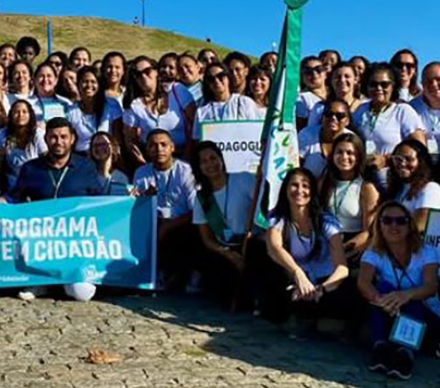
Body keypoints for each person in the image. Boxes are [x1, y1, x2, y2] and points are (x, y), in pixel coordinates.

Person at [11, 117, 104, 301]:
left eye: (63, 137)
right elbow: (14, 201)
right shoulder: (31, 168)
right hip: (39, 243)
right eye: (53, 137)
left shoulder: (86, 167)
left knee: (82, 294)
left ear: (72, 139)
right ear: (45, 139)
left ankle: (62, 283)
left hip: (75, 243)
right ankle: (44, 281)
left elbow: (98, 203)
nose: (59, 142)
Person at [358, 201, 440, 379]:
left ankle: (405, 354)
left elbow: (431, 287)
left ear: (409, 225)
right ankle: (381, 348)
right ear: (379, 224)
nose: (394, 225)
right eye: (387, 220)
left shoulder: (426, 251)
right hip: (389, 309)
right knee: (383, 288)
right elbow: (364, 282)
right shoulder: (373, 251)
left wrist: (405, 296)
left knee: (413, 301)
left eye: (400, 221)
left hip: (425, 314)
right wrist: (382, 300)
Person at [262, 168, 352, 326]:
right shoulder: (278, 219)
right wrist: (298, 274)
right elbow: (274, 248)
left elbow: (342, 268)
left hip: (325, 282)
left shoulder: (326, 221)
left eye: (305, 186)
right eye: (294, 185)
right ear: (285, 189)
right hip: (294, 277)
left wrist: (321, 289)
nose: (300, 191)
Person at [132, 130, 198, 290]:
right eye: (153, 146)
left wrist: (169, 225)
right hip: (154, 222)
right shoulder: (141, 173)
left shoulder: (186, 171)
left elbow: (195, 209)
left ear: (172, 148)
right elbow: (136, 207)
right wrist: (143, 199)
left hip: (181, 221)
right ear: (147, 150)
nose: (159, 149)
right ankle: (156, 274)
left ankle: (189, 275)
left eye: (163, 145)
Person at [190, 141, 256, 302]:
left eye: (213, 158)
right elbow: (207, 239)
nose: (210, 164)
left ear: (221, 159)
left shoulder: (244, 179)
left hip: (251, 243)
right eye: (204, 161)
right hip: (225, 248)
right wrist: (230, 255)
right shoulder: (202, 198)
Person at [353, 63, 425, 176]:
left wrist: (387, 160)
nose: (379, 88)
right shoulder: (360, 110)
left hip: (395, 182)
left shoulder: (403, 111)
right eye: (373, 84)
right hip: (364, 178)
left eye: (384, 84)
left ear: (393, 86)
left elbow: (420, 150)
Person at [319, 133, 379, 264]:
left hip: (352, 247)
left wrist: (340, 251)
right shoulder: (325, 182)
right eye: (339, 152)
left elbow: (368, 232)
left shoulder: (366, 188)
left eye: (350, 153)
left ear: (358, 157)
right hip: (324, 243)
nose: (344, 157)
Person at [122, 56, 193, 165]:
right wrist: (145, 166)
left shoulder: (177, 90)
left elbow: (194, 124)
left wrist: (186, 159)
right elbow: (130, 142)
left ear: (156, 72)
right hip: (153, 162)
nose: (143, 76)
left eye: (147, 71)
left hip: (185, 157)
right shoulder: (134, 105)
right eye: (138, 74)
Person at [387, 139, 440, 231]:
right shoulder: (399, 189)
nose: (402, 164)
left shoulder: (431, 189)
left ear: (421, 162)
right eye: (398, 159)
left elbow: (420, 226)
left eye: (409, 159)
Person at [193, 63, 262, 138]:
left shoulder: (244, 102)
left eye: (220, 76)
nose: (216, 81)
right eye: (211, 79)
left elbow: (257, 131)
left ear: (228, 78)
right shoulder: (202, 111)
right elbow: (197, 139)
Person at [67, 67, 119, 153]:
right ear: (78, 84)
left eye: (93, 82)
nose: (89, 85)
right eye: (84, 82)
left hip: (106, 154)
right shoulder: (71, 111)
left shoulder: (111, 105)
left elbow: (118, 138)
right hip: (81, 155)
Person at [410, 62, 440, 155]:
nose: (434, 84)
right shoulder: (411, 108)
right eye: (428, 81)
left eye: (439, 79)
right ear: (422, 84)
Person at [298, 97, 352, 178]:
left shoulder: (352, 140)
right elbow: (295, 166)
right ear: (322, 117)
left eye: (339, 116)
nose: (333, 118)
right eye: (329, 114)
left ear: (347, 121)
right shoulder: (306, 134)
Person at [0, 100, 46, 185]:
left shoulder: (38, 134)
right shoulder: (2, 134)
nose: (20, 115)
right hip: (11, 179)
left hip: (35, 179)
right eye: (16, 112)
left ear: (30, 114)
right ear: (11, 115)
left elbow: (46, 158)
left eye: (24, 112)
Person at [295, 56, 329, 129]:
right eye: (308, 72)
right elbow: (302, 127)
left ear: (325, 73)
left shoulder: (336, 93)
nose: (314, 73)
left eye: (318, 69)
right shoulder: (301, 98)